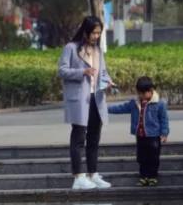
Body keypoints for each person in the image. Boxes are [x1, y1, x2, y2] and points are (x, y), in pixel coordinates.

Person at [59, 16, 114, 190]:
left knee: (94, 138)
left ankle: (93, 174)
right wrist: (82, 71)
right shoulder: (71, 48)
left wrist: (108, 81)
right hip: (80, 100)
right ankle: (78, 176)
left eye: (99, 33)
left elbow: (103, 72)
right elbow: (62, 70)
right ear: (86, 31)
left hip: (96, 98)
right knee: (78, 138)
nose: (96, 36)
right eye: (94, 33)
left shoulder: (98, 51)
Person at [108, 76, 170, 186]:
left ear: (151, 91)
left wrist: (164, 133)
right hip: (140, 135)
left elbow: (164, 119)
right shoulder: (135, 103)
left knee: (153, 157)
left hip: (154, 136)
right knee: (141, 157)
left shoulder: (159, 104)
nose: (141, 96)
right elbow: (121, 108)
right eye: (139, 93)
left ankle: (152, 176)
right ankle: (143, 176)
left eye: (143, 93)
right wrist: (106, 109)